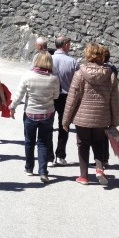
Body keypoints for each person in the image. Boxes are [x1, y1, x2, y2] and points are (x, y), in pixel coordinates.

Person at [62, 43, 119, 187]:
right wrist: (114, 121)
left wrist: (66, 120)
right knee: (99, 143)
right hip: (102, 117)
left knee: (83, 145)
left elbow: (72, 99)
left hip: (82, 117)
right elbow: (114, 100)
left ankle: (83, 177)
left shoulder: (80, 73)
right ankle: (99, 168)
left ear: (87, 55)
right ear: (102, 56)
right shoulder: (110, 75)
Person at [9, 52, 60, 184]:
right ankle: (43, 171)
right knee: (43, 143)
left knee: (29, 141)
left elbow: (19, 95)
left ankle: (29, 168)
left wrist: (12, 107)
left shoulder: (28, 76)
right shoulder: (54, 78)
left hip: (30, 113)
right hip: (47, 114)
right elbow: (56, 96)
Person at [50, 36, 79, 167]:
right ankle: (60, 155)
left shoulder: (48, 59)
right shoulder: (73, 62)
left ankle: (49, 157)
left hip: (50, 95)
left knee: (48, 126)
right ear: (66, 45)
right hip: (66, 97)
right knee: (64, 126)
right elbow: (78, 82)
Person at [101, 46, 119, 168]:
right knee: (105, 133)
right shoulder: (113, 69)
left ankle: (100, 158)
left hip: (100, 103)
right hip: (109, 103)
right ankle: (104, 159)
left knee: (98, 133)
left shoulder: (100, 69)